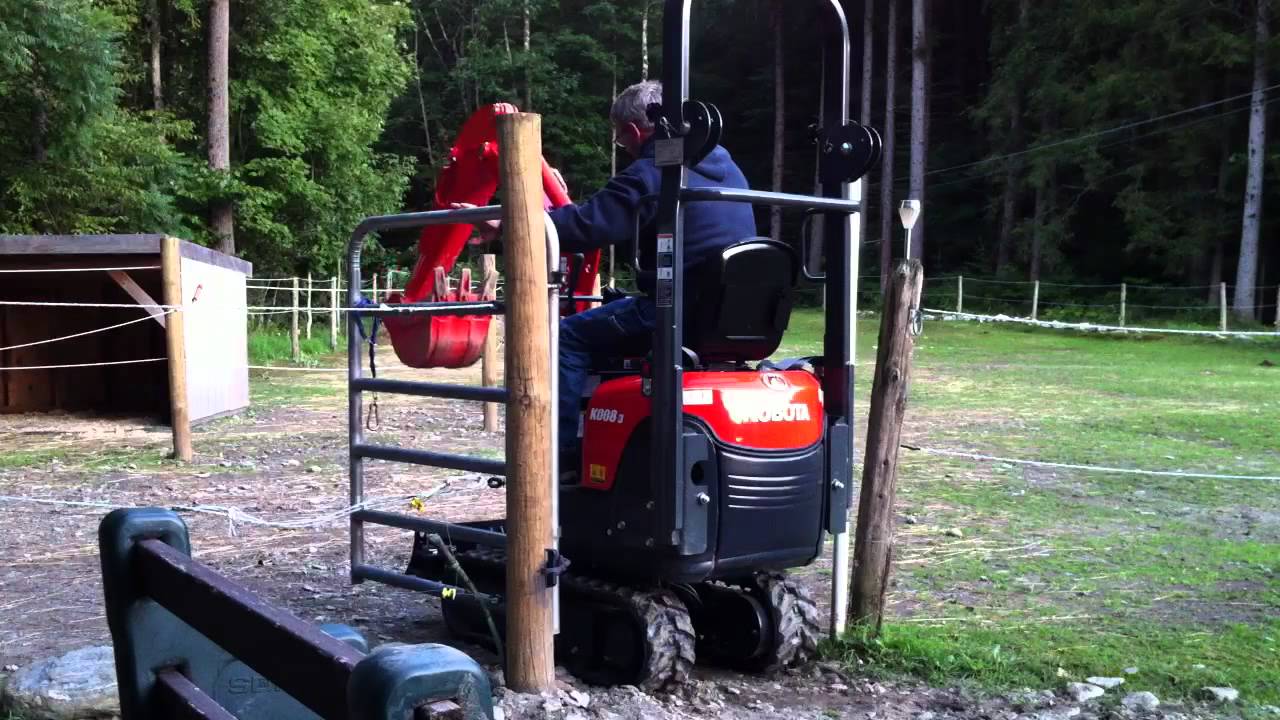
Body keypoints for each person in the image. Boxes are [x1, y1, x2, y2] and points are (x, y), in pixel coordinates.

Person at [460, 80, 757, 471]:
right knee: (613, 313)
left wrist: (509, 224)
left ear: (634, 132)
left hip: (679, 311)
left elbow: (591, 224)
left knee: (566, 337)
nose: (625, 147)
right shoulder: (725, 165)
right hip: (734, 314)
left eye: (621, 139)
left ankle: (555, 462)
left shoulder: (657, 171)